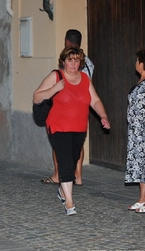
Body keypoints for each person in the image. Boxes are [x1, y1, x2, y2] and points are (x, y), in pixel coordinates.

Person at [33, 46, 110, 215]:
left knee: (74, 158)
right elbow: (37, 96)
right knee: (66, 161)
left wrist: (103, 116)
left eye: (76, 61)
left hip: (79, 127)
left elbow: (95, 100)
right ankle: (69, 202)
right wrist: (55, 89)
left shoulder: (84, 78)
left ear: (80, 63)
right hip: (58, 126)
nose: (73, 64)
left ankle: (62, 191)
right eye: (70, 60)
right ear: (63, 61)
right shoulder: (56, 76)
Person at [41, 29, 94, 186]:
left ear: (67, 42)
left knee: (60, 142)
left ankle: (58, 175)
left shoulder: (70, 61)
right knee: (77, 142)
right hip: (83, 107)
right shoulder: (88, 62)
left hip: (67, 108)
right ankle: (78, 176)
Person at [127, 48, 145, 213]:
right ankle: (142, 198)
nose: (135, 63)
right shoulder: (141, 81)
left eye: (137, 60)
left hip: (143, 131)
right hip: (137, 132)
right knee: (140, 165)